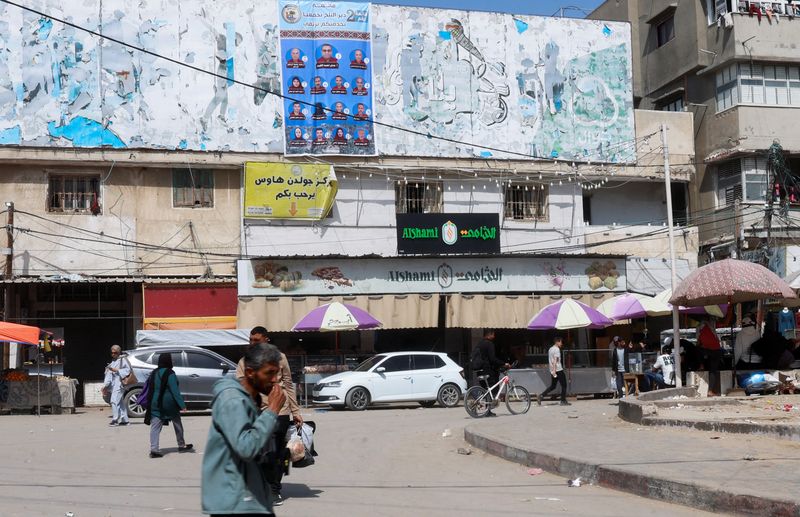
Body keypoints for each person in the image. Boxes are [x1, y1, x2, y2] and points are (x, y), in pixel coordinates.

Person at [202, 342, 286, 516]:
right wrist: (272, 411)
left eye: (276, 373)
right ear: (249, 372)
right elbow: (246, 447)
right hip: (234, 501)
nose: (275, 379)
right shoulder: (233, 400)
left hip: (247, 497)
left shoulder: (250, 399)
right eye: (269, 373)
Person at [235, 327, 303, 507]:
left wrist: (295, 411)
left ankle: (274, 489)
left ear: (266, 339)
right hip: (256, 412)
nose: (252, 343)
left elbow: (288, 384)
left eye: (256, 340)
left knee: (276, 452)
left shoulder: (280, 358)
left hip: (280, 411)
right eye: (250, 340)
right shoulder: (245, 361)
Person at [147, 353, 192, 458]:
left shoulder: (154, 372)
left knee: (155, 426)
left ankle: (154, 449)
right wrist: (182, 405)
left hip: (154, 402)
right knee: (177, 423)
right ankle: (181, 444)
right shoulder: (170, 373)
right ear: (169, 361)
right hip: (168, 404)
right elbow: (175, 391)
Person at [472, 329, 508, 417]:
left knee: (486, 390)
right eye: (493, 334)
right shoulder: (489, 344)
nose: (494, 336)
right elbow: (492, 359)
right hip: (487, 370)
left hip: (479, 370)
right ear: (490, 334)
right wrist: (503, 363)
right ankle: (488, 411)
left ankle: (480, 407)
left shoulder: (479, 344)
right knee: (492, 389)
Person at [102, 345, 131, 427]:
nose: (113, 354)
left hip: (120, 384)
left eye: (115, 352)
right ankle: (125, 420)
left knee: (114, 401)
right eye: (112, 352)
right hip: (115, 385)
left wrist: (116, 370)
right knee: (120, 402)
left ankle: (115, 419)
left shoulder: (123, 360)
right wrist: (106, 385)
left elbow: (128, 370)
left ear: (119, 352)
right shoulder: (114, 361)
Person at [538, 337, 570, 406]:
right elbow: (555, 361)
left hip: (553, 370)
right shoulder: (557, 349)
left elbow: (551, 360)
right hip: (558, 370)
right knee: (564, 385)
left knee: (553, 386)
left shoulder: (550, 349)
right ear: (557, 342)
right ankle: (563, 401)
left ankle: (541, 396)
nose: (561, 343)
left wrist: (553, 371)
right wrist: (555, 371)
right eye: (561, 342)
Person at [697, 318, 722, 396]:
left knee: (697, 349)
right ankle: (710, 391)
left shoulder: (698, 327)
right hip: (716, 350)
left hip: (706, 350)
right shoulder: (712, 324)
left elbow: (698, 342)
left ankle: (701, 365)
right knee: (713, 371)